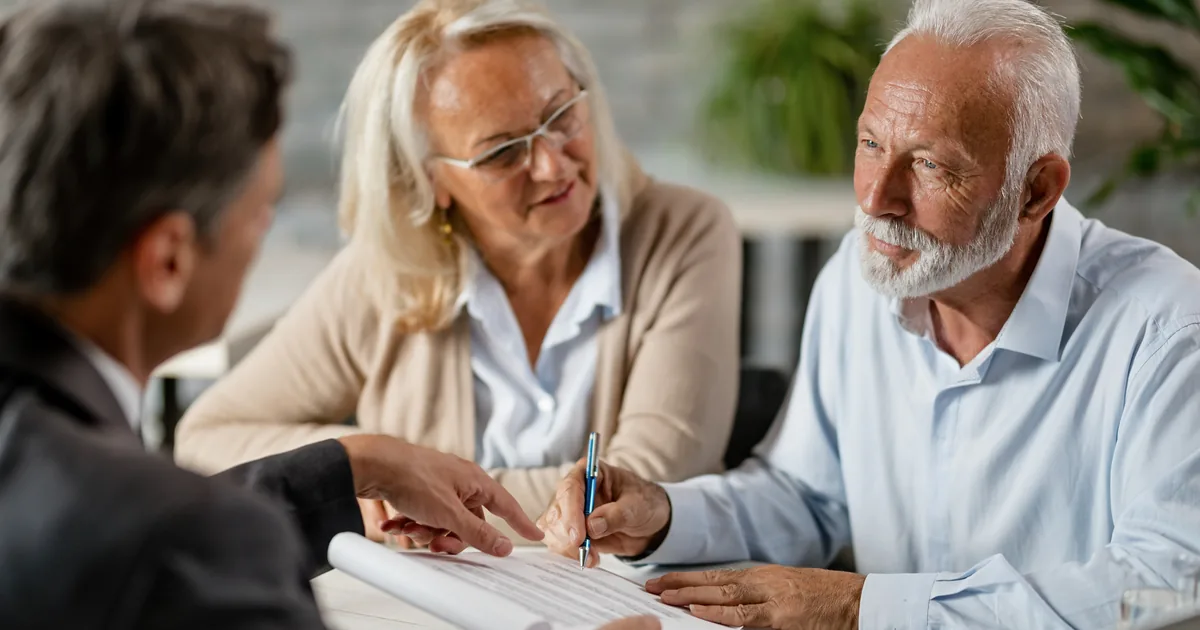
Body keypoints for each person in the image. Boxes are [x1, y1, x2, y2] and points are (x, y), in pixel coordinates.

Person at [539, 0, 1200, 628]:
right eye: (872, 144)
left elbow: (1162, 587)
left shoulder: (1168, 330)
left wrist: (864, 610)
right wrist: (662, 514)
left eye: (932, 165)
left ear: (1037, 189)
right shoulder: (857, 285)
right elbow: (807, 496)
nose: (878, 198)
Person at [0, 2, 655, 629]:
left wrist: (354, 463)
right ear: (168, 260)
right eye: (263, 212)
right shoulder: (188, 547)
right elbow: (167, 536)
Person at [173, 0, 741, 543]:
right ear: (430, 181)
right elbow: (205, 438)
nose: (551, 164)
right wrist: (366, 463)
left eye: (562, 115)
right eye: (502, 153)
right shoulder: (384, 271)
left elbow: (643, 488)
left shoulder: (685, 231)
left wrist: (419, 493)